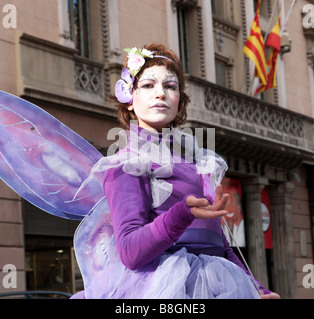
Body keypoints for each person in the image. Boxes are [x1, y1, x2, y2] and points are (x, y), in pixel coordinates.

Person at [76, 43, 279, 299]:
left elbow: (219, 244)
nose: (160, 93)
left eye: (170, 86)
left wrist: (256, 288)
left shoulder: (197, 161)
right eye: (148, 85)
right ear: (129, 99)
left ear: (179, 101)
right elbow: (130, 252)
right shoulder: (124, 165)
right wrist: (182, 213)